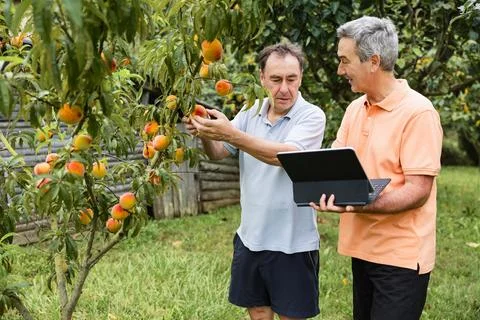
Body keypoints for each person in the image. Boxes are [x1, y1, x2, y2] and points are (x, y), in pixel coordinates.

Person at [310, 16, 443, 320]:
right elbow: (336, 163)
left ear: (373, 61)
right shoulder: (355, 109)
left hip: (401, 259)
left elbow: (418, 191)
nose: (340, 70)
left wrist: (358, 202)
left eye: (345, 61)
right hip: (363, 250)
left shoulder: (418, 112)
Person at [183, 42, 326, 320]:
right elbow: (218, 153)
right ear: (262, 78)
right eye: (275, 80)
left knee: (291, 315)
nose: (284, 88)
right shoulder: (251, 111)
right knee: (258, 312)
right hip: (251, 239)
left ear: (301, 78)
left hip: (293, 244)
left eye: (291, 79)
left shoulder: (311, 116)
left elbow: (284, 157)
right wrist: (205, 133)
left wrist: (229, 133)